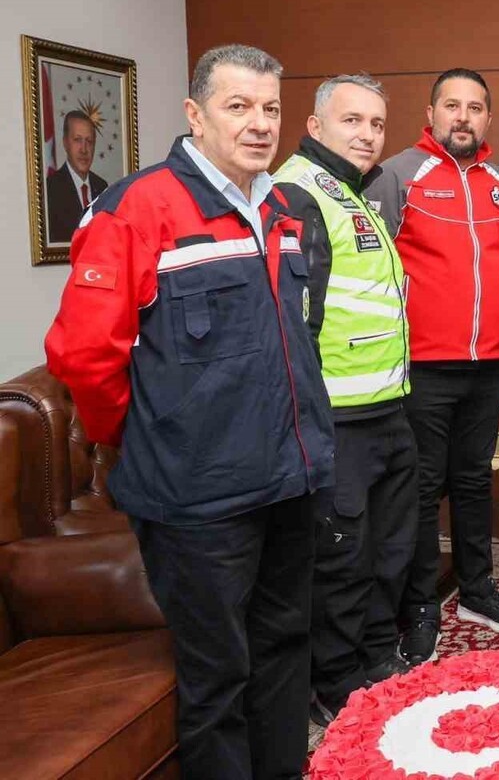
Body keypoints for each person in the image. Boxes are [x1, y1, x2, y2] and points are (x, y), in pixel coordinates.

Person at [44, 44, 334, 780]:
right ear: (195, 115)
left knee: (283, 654)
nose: (259, 123)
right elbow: (84, 354)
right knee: (217, 680)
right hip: (198, 499)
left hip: (288, 481)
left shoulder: (280, 209)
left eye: (270, 108)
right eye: (239, 106)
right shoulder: (136, 209)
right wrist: (138, 437)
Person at [364, 68, 499, 663]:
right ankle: (419, 606)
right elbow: (372, 273)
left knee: (473, 481)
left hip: (488, 366)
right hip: (420, 367)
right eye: (452, 106)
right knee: (418, 489)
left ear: (489, 118)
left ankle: (477, 589)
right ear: (431, 113)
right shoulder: (396, 175)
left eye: (475, 108)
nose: (463, 117)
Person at [272, 74, 417, 726]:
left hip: (387, 407)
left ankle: (376, 661)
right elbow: (293, 324)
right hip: (337, 419)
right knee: (342, 561)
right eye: (351, 120)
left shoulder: (354, 193)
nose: (366, 134)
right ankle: (336, 687)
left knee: (389, 550)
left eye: (376, 123)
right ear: (315, 125)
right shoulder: (299, 193)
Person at [45, 109, 109, 243]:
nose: (84, 149)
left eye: (89, 141)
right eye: (77, 140)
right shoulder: (50, 189)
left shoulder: (102, 187)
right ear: (65, 143)